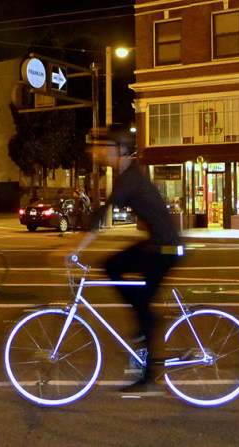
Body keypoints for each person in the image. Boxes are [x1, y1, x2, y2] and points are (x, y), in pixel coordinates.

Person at [73, 125, 183, 396]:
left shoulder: (130, 178)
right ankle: (143, 319)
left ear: (120, 150)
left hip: (168, 249)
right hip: (156, 244)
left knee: (144, 306)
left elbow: (102, 214)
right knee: (112, 266)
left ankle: (148, 376)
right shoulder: (127, 175)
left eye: (105, 146)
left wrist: (73, 249)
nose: (99, 152)